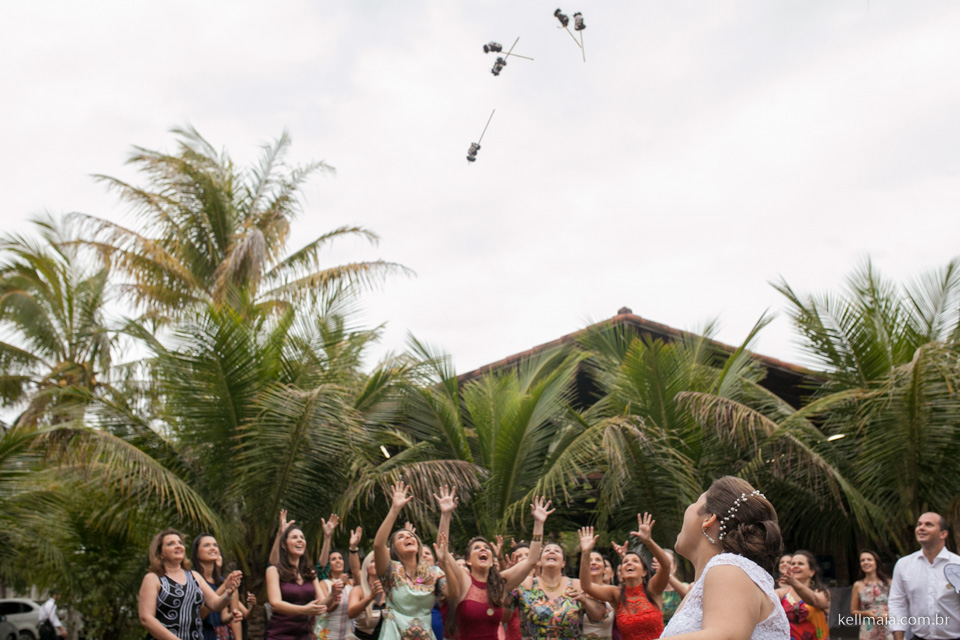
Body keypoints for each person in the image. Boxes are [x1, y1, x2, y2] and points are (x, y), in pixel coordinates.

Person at [660, 476, 789, 640]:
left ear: (708, 519)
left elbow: (725, 636)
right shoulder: (721, 575)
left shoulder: (729, 568)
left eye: (695, 502)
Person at [438, 494, 555, 640]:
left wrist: (539, 524)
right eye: (477, 548)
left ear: (492, 559)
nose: (483, 549)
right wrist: (446, 514)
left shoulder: (500, 582)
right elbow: (442, 552)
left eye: (486, 548)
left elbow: (531, 560)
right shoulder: (463, 580)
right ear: (468, 561)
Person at [374, 481, 455, 640]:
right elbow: (378, 545)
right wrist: (395, 509)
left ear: (418, 545)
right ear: (394, 549)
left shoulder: (433, 573)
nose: (408, 537)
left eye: (411, 536)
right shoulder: (390, 570)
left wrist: (445, 515)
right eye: (401, 537)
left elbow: (453, 592)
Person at [138, 529, 242, 640]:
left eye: (180, 543)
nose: (178, 546)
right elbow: (146, 618)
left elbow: (215, 604)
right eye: (171, 544)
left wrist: (228, 593)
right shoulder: (153, 578)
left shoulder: (194, 576)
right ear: (160, 553)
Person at [580, 514, 670, 640]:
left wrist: (648, 541)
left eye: (635, 561)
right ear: (620, 572)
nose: (629, 563)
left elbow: (666, 565)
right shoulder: (616, 594)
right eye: (625, 562)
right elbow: (586, 586)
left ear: (644, 572)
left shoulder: (653, 589)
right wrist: (586, 553)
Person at [888, 512, 960, 640]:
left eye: (929, 524)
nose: (921, 528)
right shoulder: (904, 565)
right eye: (919, 524)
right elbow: (897, 603)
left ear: (943, 534)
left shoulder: (957, 565)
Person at [512, 538, 602, 640]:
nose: (551, 551)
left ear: (563, 563)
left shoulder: (576, 584)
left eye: (557, 551)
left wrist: (584, 600)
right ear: (539, 561)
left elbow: (599, 616)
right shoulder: (527, 584)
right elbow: (504, 614)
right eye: (547, 550)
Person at [266, 524, 335, 640]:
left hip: (303, 634)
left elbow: (322, 604)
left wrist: (333, 594)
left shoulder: (310, 574)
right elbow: (275, 603)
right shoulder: (273, 570)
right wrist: (304, 610)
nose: (300, 540)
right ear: (283, 545)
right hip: (279, 635)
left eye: (302, 537)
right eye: (294, 537)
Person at [191, 533, 243, 640]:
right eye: (207, 545)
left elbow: (223, 617)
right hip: (198, 634)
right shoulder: (192, 579)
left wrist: (232, 616)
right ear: (196, 552)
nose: (213, 548)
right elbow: (201, 614)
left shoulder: (220, 582)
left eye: (215, 545)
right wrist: (224, 587)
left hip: (218, 635)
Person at [314, 527, 364, 640]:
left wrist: (353, 547)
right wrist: (338, 588)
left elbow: (357, 571)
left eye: (340, 558)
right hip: (327, 633)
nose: (337, 561)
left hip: (348, 634)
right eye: (333, 559)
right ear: (329, 565)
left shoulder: (352, 584)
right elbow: (324, 608)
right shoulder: (324, 583)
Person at [778, 550, 830, 640]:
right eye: (793, 563)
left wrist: (794, 582)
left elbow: (814, 600)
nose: (795, 566)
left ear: (811, 572)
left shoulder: (822, 593)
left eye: (800, 564)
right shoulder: (782, 594)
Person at [850, 550, 892, 640]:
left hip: (889, 626)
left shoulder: (889, 583)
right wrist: (866, 613)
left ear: (876, 562)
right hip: (869, 628)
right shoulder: (858, 585)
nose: (866, 562)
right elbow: (853, 611)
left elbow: (900, 606)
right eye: (863, 560)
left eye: (869, 559)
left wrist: (889, 614)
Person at [348, 552, 386, 640]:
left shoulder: (390, 591)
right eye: (373, 561)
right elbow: (350, 613)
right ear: (367, 568)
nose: (377, 563)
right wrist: (370, 597)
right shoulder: (358, 590)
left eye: (380, 561)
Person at [579, 551, 614, 640]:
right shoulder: (576, 589)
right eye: (589, 560)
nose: (593, 562)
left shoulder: (613, 591)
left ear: (605, 569)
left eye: (598, 560)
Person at [653, 550, 689, 626]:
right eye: (661, 563)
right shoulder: (652, 590)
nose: (663, 566)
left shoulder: (684, 586)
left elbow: (686, 593)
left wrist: (666, 573)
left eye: (666, 563)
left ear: (675, 568)